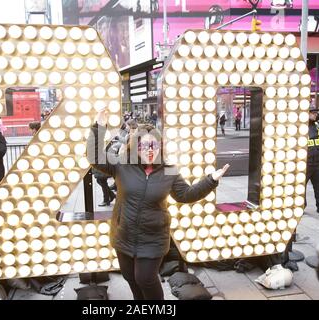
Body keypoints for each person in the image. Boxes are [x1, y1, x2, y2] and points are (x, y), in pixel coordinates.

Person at [87, 108, 229, 300]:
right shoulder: (123, 164)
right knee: (130, 277)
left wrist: (210, 180)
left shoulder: (168, 170)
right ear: (135, 146)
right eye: (144, 145)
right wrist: (99, 127)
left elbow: (185, 194)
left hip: (153, 237)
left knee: (145, 278)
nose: (149, 150)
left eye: (153, 145)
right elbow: (94, 158)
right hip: (124, 234)